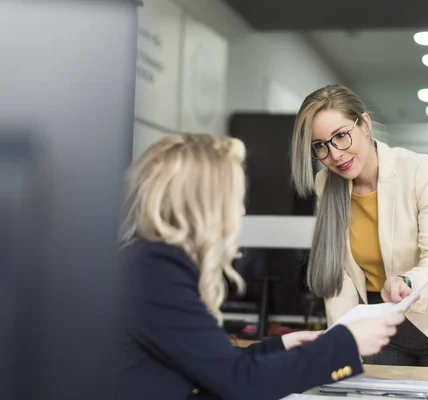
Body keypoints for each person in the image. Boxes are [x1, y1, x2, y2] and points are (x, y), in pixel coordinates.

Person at [118, 133, 405, 400]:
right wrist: (347, 344)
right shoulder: (157, 272)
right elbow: (241, 382)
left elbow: (214, 365)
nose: (241, 211)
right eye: (235, 198)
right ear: (204, 203)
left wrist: (278, 347)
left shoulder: (146, 263)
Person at [290, 84, 428, 378]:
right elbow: (341, 273)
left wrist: (408, 282)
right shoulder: (327, 184)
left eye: (340, 136)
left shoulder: (421, 170)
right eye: (321, 145)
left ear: (364, 124)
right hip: (383, 328)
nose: (335, 154)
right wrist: (340, 339)